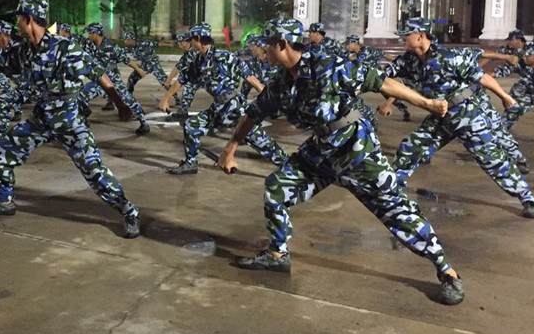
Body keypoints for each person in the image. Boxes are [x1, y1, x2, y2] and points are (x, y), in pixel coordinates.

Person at [217, 18, 464, 305]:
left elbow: (381, 82)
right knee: (276, 188)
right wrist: (230, 148)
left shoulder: (327, 65)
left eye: (268, 45)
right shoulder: (281, 82)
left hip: (355, 149)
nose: (264, 50)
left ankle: (447, 272)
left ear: (282, 45)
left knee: (396, 210)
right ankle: (278, 254)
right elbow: (254, 113)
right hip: (320, 151)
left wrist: (427, 104)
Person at [0, 0, 141, 238]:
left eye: (18, 19)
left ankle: (129, 212)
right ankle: (5, 202)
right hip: (42, 118)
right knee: (3, 149)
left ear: (29, 20)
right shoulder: (25, 50)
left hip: (69, 120)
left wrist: (120, 105)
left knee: (94, 171)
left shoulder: (65, 48)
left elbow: (99, 74)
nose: (16, 24)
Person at [383, 18, 534, 219]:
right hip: (440, 116)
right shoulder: (409, 60)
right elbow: (384, 75)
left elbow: (483, 77)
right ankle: (389, 192)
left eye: (407, 35)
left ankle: (527, 198)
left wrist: (505, 96)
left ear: (420, 36)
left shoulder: (449, 58)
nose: (403, 39)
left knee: (492, 159)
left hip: (466, 114)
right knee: (411, 146)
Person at [160, 23, 288, 175]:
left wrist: (266, 96)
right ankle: (190, 164)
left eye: (192, 39)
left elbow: (248, 76)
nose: (190, 43)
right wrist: (166, 98)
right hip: (218, 108)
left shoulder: (225, 57)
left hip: (234, 107)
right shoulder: (198, 61)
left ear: (199, 39)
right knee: (191, 126)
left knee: (259, 140)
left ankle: (288, 164)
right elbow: (183, 79)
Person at [80, 22, 150, 135]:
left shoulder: (111, 47)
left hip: (113, 78)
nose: (89, 35)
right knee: (82, 96)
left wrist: (138, 70)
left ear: (96, 33)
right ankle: (82, 121)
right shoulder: (89, 44)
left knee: (128, 99)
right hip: (99, 79)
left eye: (90, 33)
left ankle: (143, 122)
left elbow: (126, 60)